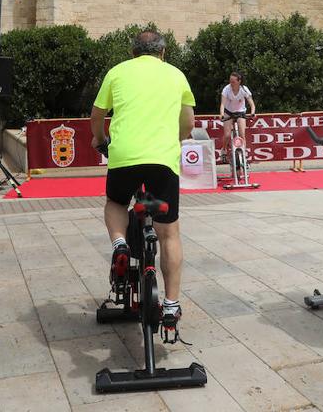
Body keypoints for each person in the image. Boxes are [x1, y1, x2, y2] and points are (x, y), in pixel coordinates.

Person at [90, 30, 195, 329]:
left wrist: (100, 140)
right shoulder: (176, 74)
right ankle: (171, 306)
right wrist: (172, 141)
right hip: (162, 161)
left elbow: (96, 118)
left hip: (124, 156)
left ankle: (120, 245)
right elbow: (188, 122)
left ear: (133, 52)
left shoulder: (117, 72)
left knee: (116, 201)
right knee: (169, 233)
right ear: (162, 52)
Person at [219, 72, 255, 162]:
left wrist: (253, 113)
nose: (231, 83)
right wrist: (222, 114)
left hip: (240, 112)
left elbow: (252, 104)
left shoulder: (244, 89)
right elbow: (222, 104)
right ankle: (224, 150)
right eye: (230, 81)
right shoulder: (226, 89)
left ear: (239, 81)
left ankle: (243, 157)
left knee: (242, 134)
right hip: (228, 112)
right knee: (227, 135)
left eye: (233, 81)